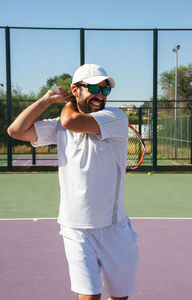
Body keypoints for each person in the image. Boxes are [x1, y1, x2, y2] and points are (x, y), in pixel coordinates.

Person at [7, 64, 138, 300]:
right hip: (75, 227)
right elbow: (15, 131)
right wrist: (47, 99)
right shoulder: (58, 125)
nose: (101, 95)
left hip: (114, 227)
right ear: (76, 90)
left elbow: (71, 121)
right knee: (89, 296)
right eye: (96, 88)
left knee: (120, 297)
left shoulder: (115, 117)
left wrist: (67, 102)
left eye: (105, 90)